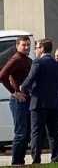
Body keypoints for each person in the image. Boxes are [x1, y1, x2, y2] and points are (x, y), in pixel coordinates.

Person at [20, 38, 58, 164]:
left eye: (37, 47)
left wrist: (23, 88)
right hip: (54, 103)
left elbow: (29, 79)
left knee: (36, 132)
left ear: (42, 49)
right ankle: (55, 158)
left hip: (38, 103)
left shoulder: (38, 62)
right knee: (53, 132)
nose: (35, 49)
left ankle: (36, 159)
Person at [0, 35, 33, 166]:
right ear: (17, 46)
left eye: (28, 45)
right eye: (23, 45)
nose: (26, 47)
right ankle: (16, 163)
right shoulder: (16, 59)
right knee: (20, 133)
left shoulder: (27, 60)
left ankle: (21, 161)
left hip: (28, 100)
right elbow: (2, 75)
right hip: (19, 102)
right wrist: (14, 92)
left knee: (26, 134)